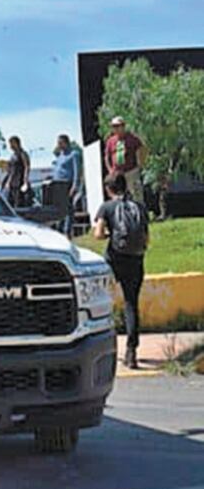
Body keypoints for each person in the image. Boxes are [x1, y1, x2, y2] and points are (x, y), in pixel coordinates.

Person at [93, 173, 149, 369]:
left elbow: (98, 234)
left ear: (109, 189)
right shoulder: (139, 207)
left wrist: (111, 233)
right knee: (130, 304)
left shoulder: (107, 207)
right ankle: (131, 352)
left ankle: (101, 347)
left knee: (99, 300)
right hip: (136, 260)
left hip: (114, 259)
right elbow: (146, 239)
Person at [103, 116, 147, 204]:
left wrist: (140, 165)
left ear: (123, 126)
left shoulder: (132, 138)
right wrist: (110, 170)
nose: (115, 128)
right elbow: (107, 157)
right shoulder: (110, 141)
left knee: (136, 196)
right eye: (114, 126)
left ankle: (139, 213)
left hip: (131, 171)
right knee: (119, 196)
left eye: (118, 126)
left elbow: (142, 149)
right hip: (117, 173)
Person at [51, 134, 82, 237]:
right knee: (60, 209)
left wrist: (75, 186)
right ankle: (59, 230)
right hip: (58, 184)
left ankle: (67, 231)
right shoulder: (60, 156)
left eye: (60, 143)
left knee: (68, 209)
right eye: (58, 143)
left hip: (67, 184)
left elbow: (77, 171)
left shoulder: (74, 154)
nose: (59, 145)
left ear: (66, 142)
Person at [1, 136, 31, 208]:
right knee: (10, 204)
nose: (10, 146)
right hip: (12, 184)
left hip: (19, 183)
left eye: (12, 143)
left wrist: (25, 181)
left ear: (16, 143)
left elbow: (27, 167)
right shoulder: (12, 156)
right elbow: (10, 171)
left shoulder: (22, 154)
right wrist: (6, 182)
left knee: (19, 204)